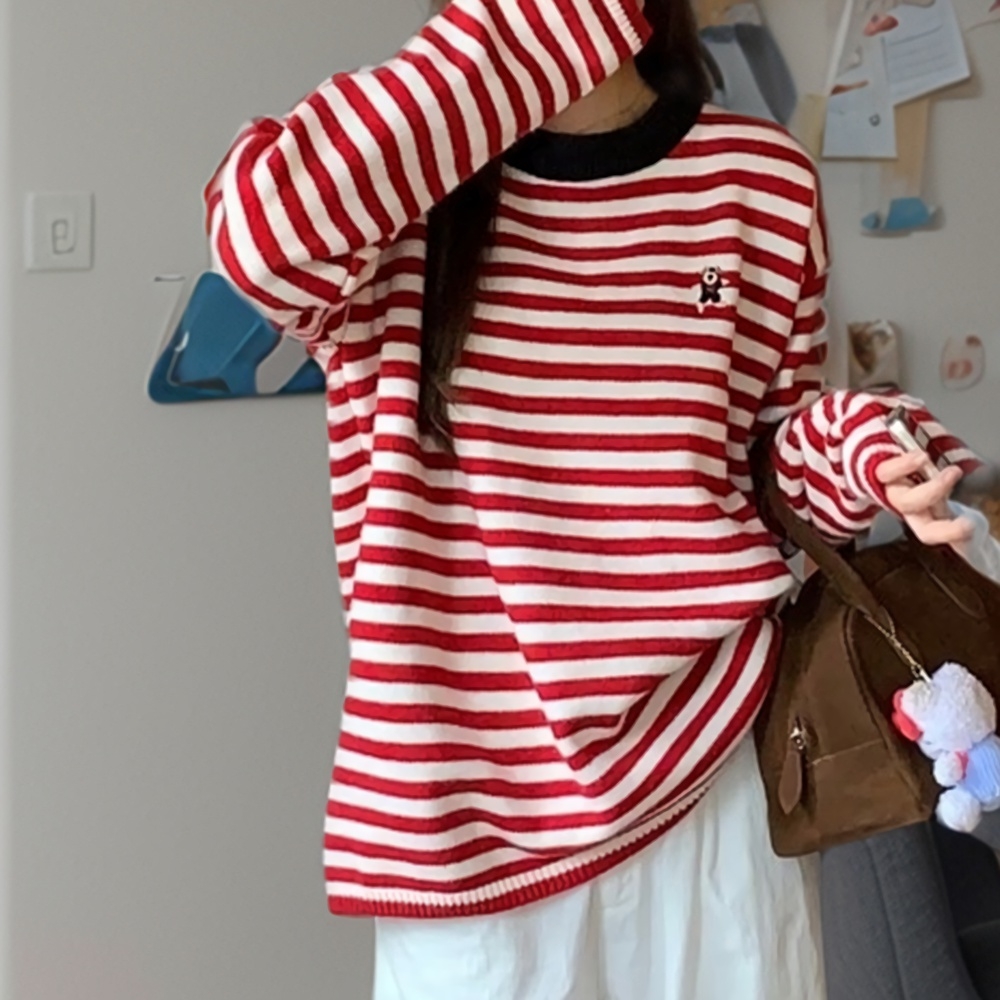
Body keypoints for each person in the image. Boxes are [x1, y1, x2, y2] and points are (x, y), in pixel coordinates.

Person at [205, 0, 976, 995]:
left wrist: (858, 448)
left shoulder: (760, 180)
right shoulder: (393, 177)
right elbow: (257, 242)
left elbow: (762, 473)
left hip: (710, 783)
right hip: (468, 821)